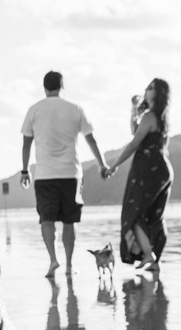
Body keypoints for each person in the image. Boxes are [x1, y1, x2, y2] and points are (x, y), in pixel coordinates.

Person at [20, 71, 109, 279]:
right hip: (71, 174)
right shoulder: (75, 109)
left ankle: (53, 260)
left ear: (44, 88)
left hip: (44, 175)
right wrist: (102, 164)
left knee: (46, 220)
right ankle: (69, 265)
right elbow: (91, 140)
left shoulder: (34, 110)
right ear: (62, 86)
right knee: (70, 221)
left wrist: (25, 170)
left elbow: (26, 143)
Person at [105, 78, 172, 272]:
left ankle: (149, 254)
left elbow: (135, 143)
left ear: (158, 93)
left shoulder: (150, 116)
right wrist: (134, 110)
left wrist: (115, 165)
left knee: (132, 214)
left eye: (151, 88)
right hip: (163, 170)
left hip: (148, 169)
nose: (146, 89)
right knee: (154, 216)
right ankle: (154, 262)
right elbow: (136, 131)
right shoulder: (160, 118)